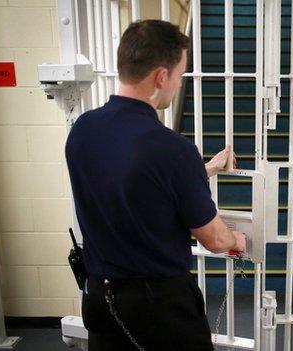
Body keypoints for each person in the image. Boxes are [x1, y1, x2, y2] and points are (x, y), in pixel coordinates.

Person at [65, 19, 246, 351]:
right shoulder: (173, 150)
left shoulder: (82, 131)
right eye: (179, 75)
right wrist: (238, 238)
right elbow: (215, 239)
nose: (178, 84)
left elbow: (132, 184)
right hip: (160, 309)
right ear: (161, 77)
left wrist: (204, 170)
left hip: (101, 302)